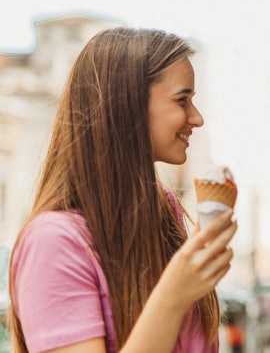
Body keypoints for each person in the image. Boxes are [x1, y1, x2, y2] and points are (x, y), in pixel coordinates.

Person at [8, 27, 238, 352]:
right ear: (126, 105)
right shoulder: (54, 243)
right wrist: (172, 296)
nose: (196, 118)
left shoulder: (163, 212)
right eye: (182, 99)